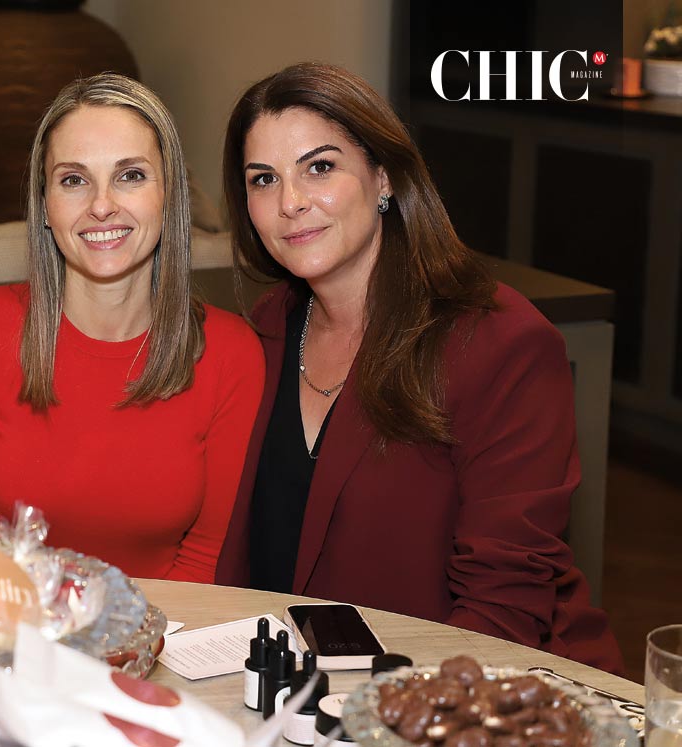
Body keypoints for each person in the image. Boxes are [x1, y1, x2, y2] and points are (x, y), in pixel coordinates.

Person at [214, 62, 621, 671]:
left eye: (319, 167)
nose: (291, 203)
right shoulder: (266, 331)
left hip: (466, 696)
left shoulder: (498, 342)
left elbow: (503, 608)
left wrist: (382, 718)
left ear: (383, 178)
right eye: (263, 179)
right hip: (298, 694)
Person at [0, 73, 264, 583]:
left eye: (131, 175)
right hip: (1, 641)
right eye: (74, 179)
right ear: (46, 207)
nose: (101, 205)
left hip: (166, 640)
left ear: (169, 197)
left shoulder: (231, 353)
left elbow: (208, 559)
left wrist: (130, 649)